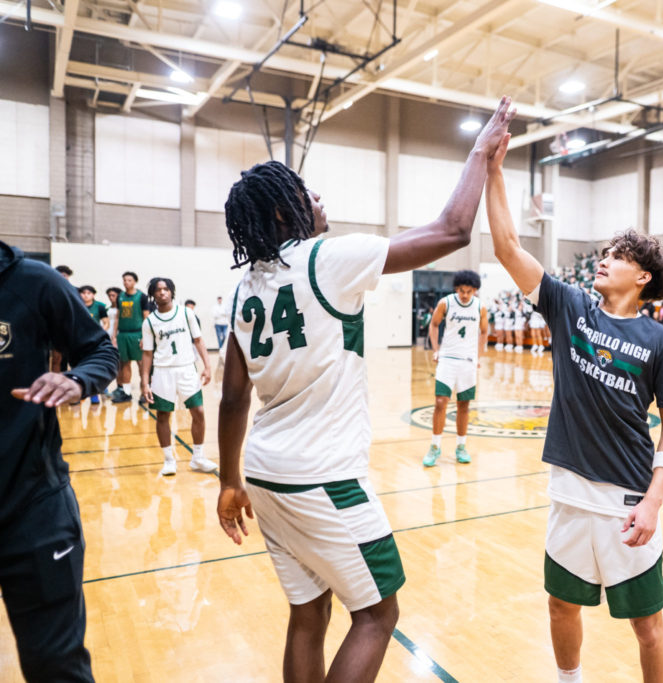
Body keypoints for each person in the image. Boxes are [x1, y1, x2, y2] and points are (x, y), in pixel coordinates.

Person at [216, 98, 515, 683]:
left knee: (308, 613)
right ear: (282, 212)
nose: (317, 198)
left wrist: (229, 481)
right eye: (305, 193)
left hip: (266, 472)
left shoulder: (245, 287)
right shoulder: (327, 258)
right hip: (324, 475)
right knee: (378, 614)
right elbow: (453, 230)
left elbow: (232, 397)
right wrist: (480, 153)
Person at [486, 132, 663, 683]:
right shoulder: (569, 307)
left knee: (647, 625)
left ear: (643, 277)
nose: (604, 260)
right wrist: (494, 171)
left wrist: (654, 501)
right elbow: (507, 248)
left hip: (628, 501)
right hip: (569, 494)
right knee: (560, 605)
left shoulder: (659, 340)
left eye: (618, 256)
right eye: (604, 253)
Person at [2, 239, 118, 683]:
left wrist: (78, 379)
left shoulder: (33, 282)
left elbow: (101, 350)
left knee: (56, 669)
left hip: (33, 510)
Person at [139, 277, 216, 476]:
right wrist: (145, 382)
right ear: (153, 294)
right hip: (162, 371)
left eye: (166, 289)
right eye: (158, 290)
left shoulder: (186, 313)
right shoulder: (149, 322)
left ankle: (198, 458)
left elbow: (199, 341)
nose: (162, 292)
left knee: (198, 412)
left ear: (172, 292)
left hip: (187, 369)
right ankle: (168, 460)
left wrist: (207, 367)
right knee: (163, 415)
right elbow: (147, 353)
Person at [424, 270, 488, 467]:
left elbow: (484, 332)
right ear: (456, 289)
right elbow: (434, 325)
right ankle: (435, 446)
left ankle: (461, 446)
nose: (465, 295)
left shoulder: (480, 307)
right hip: (448, 358)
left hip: (467, 360)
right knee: (440, 402)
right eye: (462, 291)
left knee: (464, 405)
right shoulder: (446, 303)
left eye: (469, 291)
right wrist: (436, 350)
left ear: (475, 290)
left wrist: (478, 356)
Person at [111, 271, 148, 403]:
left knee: (141, 364)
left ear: (135, 282)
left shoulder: (142, 297)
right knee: (124, 364)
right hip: (123, 334)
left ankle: (144, 392)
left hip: (137, 334)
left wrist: (145, 336)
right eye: (124, 280)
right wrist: (114, 335)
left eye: (129, 280)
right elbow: (117, 317)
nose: (126, 282)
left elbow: (146, 318)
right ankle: (126, 393)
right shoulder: (120, 296)